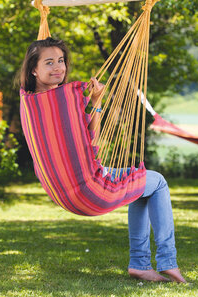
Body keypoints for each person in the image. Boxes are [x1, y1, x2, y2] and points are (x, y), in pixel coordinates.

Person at [20, 37, 186, 283]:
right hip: (89, 191)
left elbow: (89, 139)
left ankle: (140, 266)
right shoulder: (62, 99)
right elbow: (90, 140)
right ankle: (167, 261)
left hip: (63, 191)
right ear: (34, 69)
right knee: (158, 182)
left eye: (61, 61)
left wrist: (96, 102)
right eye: (49, 63)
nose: (58, 67)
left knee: (141, 186)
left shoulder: (31, 102)